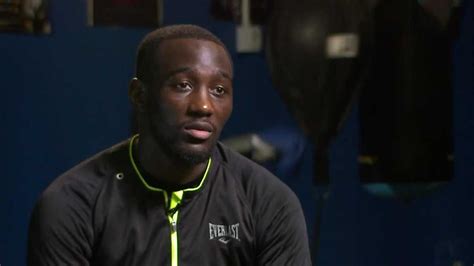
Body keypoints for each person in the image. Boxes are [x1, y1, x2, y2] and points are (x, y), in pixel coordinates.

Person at [27, 24, 311, 266]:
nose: (203, 106)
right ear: (139, 95)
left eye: (219, 90)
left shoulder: (270, 204)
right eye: (183, 85)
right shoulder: (72, 205)